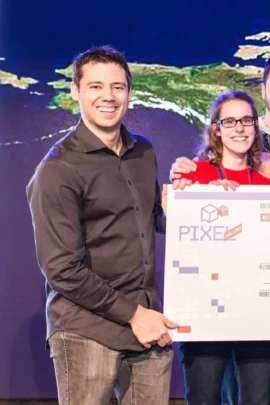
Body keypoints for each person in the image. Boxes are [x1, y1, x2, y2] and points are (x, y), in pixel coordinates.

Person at [26, 45, 175, 405]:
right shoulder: (57, 170)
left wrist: (184, 208)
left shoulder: (143, 151)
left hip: (148, 323)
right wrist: (134, 315)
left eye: (117, 87)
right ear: (75, 91)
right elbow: (61, 268)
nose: (108, 96)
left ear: (129, 93)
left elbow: (149, 218)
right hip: (86, 328)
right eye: (95, 86)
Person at [175, 91, 270, 405]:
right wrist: (207, 199)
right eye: (230, 121)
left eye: (246, 120)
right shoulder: (193, 176)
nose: (240, 128)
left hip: (256, 312)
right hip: (206, 312)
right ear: (216, 129)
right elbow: (178, 231)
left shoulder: (268, 184)